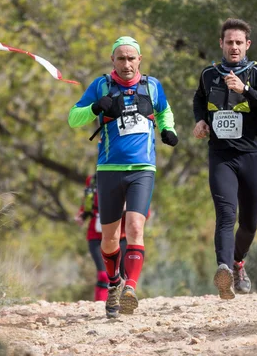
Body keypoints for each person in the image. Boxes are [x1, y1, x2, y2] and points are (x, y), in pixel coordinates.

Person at [68, 36, 178, 318]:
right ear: (113, 60)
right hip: (108, 170)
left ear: (139, 60)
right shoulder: (100, 85)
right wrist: (95, 108)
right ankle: (114, 282)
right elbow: (73, 118)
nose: (127, 63)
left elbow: (164, 112)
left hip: (143, 168)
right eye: (121, 58)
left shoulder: (152, 86)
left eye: (132, 58)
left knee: (136, 228)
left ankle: (130, 287)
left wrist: (168, 130)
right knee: (109, 239)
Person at [192, 18, 257, 299]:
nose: (233, 47)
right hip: (221, 156)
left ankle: (237, 262)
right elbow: (199, 99)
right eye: (229, 42)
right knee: (226, 215)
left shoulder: (256, 73)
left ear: (247, 45)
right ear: (221, 43)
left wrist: (245, 91)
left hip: (251, 155)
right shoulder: (209, 74)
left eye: (238, 42)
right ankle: (224, 270)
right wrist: (200, 121)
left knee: (250, 223)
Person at [75, 173, 127, 301]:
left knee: (122, 275)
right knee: (104, 274)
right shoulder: (92, 180)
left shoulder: (128, 178)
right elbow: (87, 203)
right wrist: (82, 215)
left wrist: (128, 208)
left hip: (121, 236)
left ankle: (123, 304)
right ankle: (100, 304)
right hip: (95, 235)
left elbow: (143, 213)